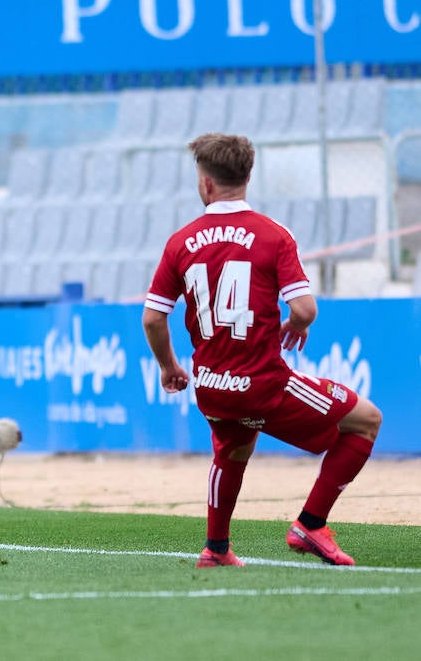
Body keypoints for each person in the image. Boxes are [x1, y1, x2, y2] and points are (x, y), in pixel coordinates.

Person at [142, 133, 383, 567]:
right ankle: (310, 523)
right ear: (248, 176)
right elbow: (305, 309)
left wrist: (169, 367)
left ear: (206, 184)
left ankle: (216, 549)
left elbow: (153, 317)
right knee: (365, 421)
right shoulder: (273, 235)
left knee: (233, 447)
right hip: (262, 385)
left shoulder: (181, 241)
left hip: (212, 387)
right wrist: (294, 323)